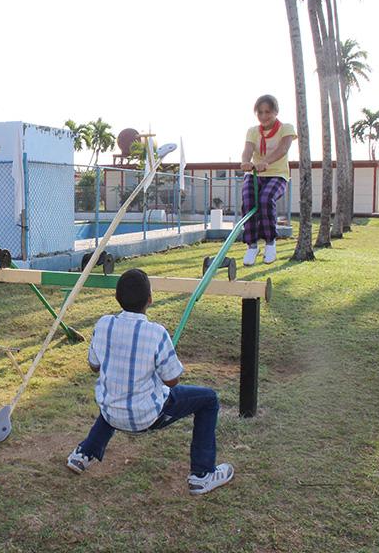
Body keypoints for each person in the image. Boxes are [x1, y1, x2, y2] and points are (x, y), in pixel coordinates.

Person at [66, 268, 234, 495]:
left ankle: (84, 453)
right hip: (148, 417)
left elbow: (94, 366)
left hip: (110, 412)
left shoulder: (103, 324)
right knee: (209, 400)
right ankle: (202, 475)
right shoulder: (157, 332)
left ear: (116, 297)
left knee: (118, 393)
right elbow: (172, 381)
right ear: (150, 300)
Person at [239, 95, 296, 266]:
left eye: (268, 112)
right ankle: (252, 245)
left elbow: (283, 148)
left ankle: (270, 242)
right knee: (248, 201)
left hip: (277, 175)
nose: (264, 116)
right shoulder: (253, 131)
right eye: (260, 112)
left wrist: (266, 162)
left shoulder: (286, 128)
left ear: (275, 112)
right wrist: (245, 162)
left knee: (265, 199)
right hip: (256, 174)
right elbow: (247, 149)